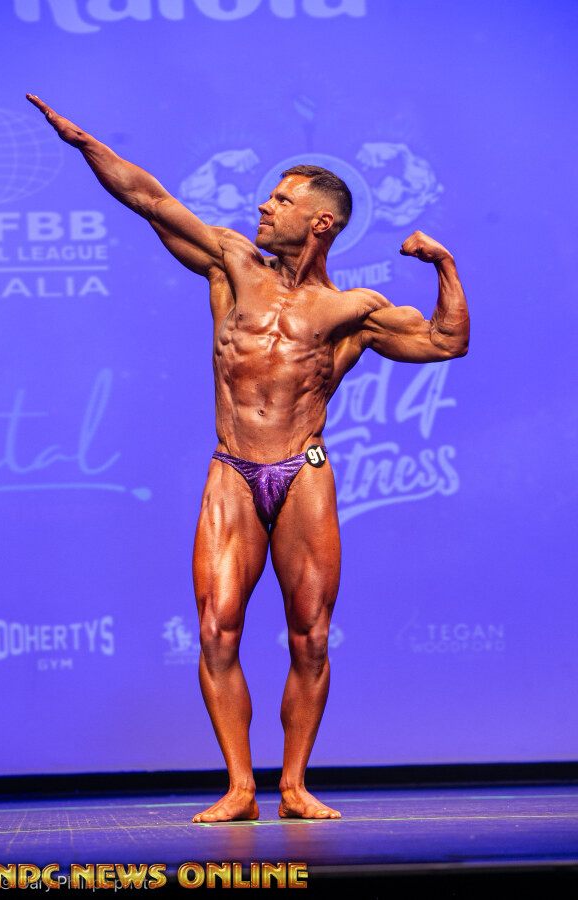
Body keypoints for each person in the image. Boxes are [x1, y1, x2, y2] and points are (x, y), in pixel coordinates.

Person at [27, 94, 470, 823]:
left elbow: (448, 342)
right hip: (233, 468)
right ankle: (240, 786)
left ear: (320, 222)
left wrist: (444, 264)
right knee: (215, 629)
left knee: (311, 636)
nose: (265, 206)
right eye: (269, 196)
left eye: (282, 200)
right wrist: (84, 143)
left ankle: (293, 785)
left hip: (304, 470)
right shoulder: (231, 264)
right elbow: (149, 199)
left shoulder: (354, 311)